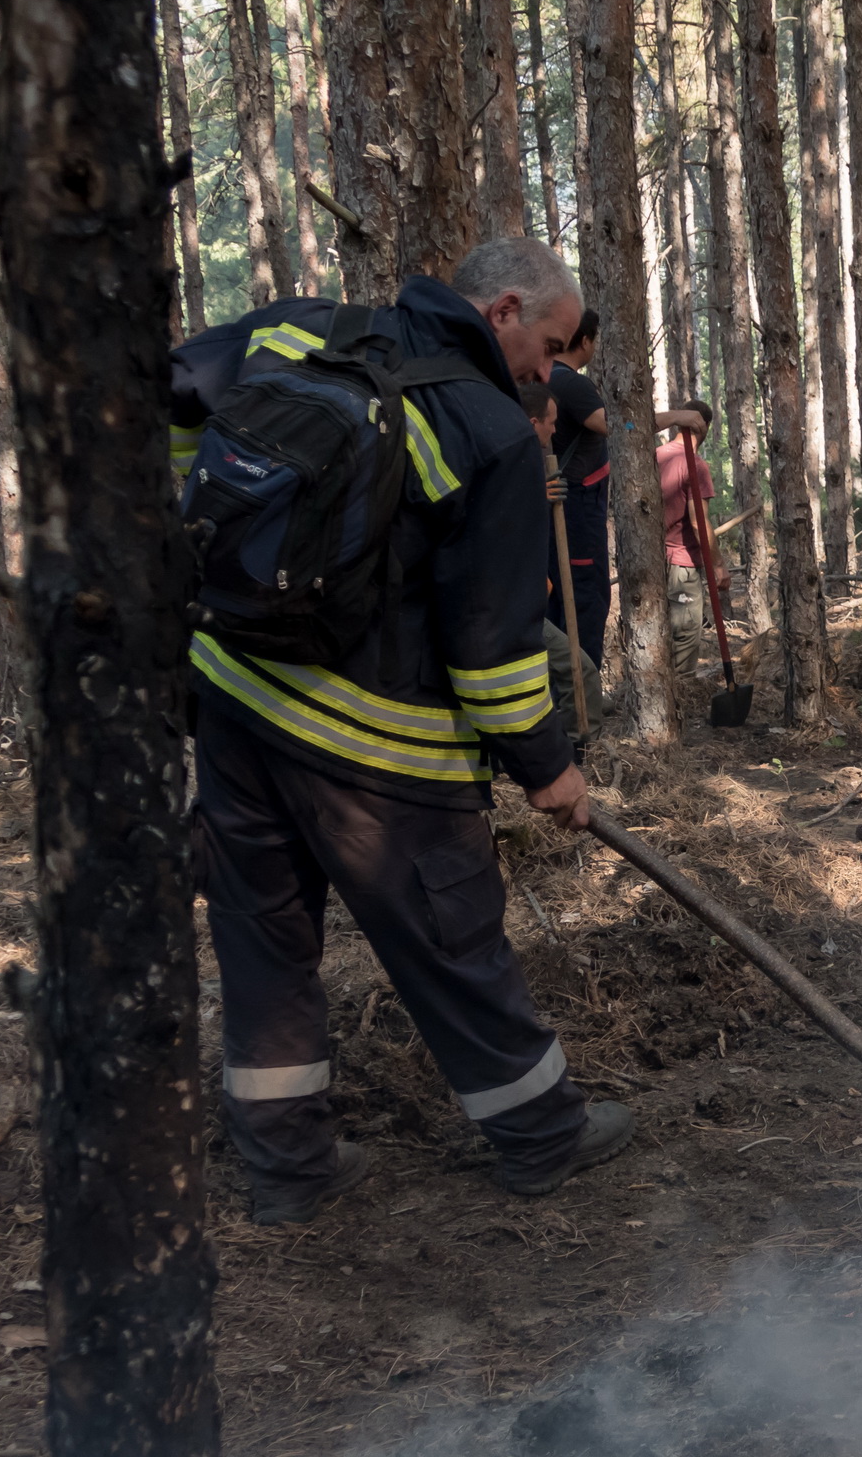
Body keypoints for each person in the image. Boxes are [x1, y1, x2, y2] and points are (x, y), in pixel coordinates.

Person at [173, 237, 634, 1226]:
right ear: (504, 309)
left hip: (233, 704)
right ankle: (541, 1135)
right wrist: (549, 771)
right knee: (452, 939)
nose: (549, 375)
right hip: (378, 749)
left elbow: (175, 399)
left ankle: (289, 1170)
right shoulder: (493, 432)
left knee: (263, 946)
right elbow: (493, 649)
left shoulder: (299, 329)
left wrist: (189, 557)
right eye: (550, 347)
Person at [523, 379, 603, 744]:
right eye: (551, 421)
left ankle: (578, 750)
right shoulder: (503, 460)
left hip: (525, 597)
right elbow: (490, 524)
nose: (556, 429)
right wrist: (534, 498)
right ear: (532, 421)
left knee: (577, 670)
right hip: (501, 604)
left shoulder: (529, 460)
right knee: (577, 670)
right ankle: (577, 749)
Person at [545, 313, 612, 670]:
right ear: (584, 340)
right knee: (586, 599)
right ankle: (581, 691)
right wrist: (671, 417)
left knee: (560, 599)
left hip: (561, 510)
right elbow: (617, 426)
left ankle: (564, 695)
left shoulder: (543, 377)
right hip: (578, 513)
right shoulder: (572, 385)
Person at [653, 400, 719, 671]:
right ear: (704, 428)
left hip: (654, 561)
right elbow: (698, 521)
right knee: (685, 639)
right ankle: (678, 700)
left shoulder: (655, 455)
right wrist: (717, 564)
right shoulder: (695, 465)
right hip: (682, 566)